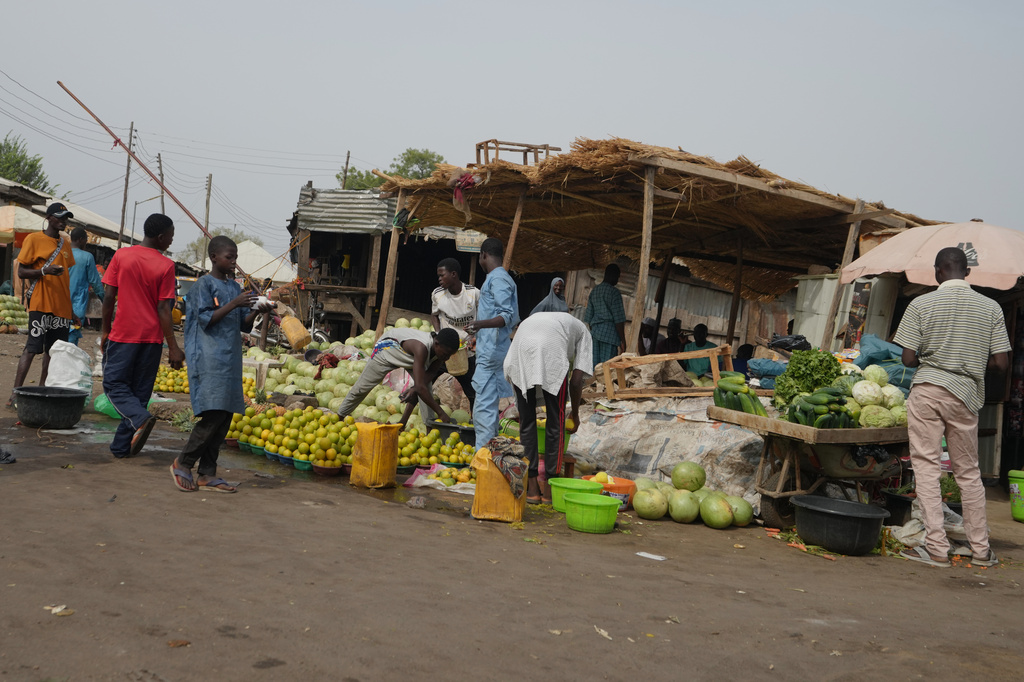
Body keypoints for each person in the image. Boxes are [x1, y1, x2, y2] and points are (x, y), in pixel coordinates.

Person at [893, 247, 1010, 568]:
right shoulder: (991, 308)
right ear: (967, 272)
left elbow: (907, 358)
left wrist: (935, 359)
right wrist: (969, 361)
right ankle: (981, 550)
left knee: (927, 468)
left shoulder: (920, 303)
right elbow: (1001, 362)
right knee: (969, 473)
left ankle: (935, 549)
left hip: (928, 391)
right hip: (966, 395)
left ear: (937, 272)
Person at [170, 237, 273, 493]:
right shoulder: (203, 285)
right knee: (213, 412)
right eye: (229, 257)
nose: (233, 262)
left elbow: (243, 325)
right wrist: (235, 304)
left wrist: (259, 310)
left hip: (229, 358)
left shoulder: (234, 287)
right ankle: (183, 462)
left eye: (235, 257)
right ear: (214, 257)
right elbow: (206, 319)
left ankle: (207, 473)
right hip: (208, 356)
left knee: (225, 415)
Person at [101, 214, 184, 458]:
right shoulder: (166, 266)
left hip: (123, 336)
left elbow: (108, 297)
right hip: (151, 341)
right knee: (138, 394)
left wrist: (105, 330)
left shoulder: (122, 256)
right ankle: (121, 447)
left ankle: (139, 418)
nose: (171, 239)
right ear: (160, 237)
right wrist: (173, 346)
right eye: (170, 235)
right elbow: (164, 309)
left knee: (114, 385)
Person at [504, 312, 593, 504]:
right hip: (550, 347)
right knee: (556, 420)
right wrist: (575, 414)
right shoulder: (584, 332)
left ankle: (533, 489)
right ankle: (551, 488)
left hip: (520, 348)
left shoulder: (557, 320)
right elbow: (577, 380)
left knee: (526, 421)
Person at [8, 202, 76, 409]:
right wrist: (44, 272)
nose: (64, 221)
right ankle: (15, 395)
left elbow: (65, 280)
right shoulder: (33, 239)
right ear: (48, 218)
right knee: (32, 348)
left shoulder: (65, 244)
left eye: (66, 217)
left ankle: (42, 392)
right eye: (60, 217)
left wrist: (72, 310)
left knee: (52, 352)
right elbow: (21, 272)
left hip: (62, 307)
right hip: (40, 303)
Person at [335, 327, 460, 425]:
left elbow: (430, 375)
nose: (447, 358)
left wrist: (415, 388)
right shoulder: (422, 348)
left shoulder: (440, 353)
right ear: (436, 343)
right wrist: (441, 413)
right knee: (361, 389)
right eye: (446, 354)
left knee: (424, 389)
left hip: (411, 358)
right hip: (387, 350)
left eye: (450, 355)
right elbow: (420, 388)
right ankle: (338, 418)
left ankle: (424, 428)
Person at [464, 238, 519, 447]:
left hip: (492, 351)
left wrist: (479, 324)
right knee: (488, 407)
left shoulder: (498, 279)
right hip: (494, 348)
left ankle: (483, 459)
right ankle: (492, 455)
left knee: (483, 409)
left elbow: (506, 316)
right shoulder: (500, 278)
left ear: (483, 255)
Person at [429, 257, 479, 408]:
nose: (439, 279)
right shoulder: (438, 294)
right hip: (445, 350)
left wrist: (475, 336)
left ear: (453, 274)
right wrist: (438, 333)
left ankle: (476, 421)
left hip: (466, 351)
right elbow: (434, 314)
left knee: (472, 391)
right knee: (426, 380)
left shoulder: (473, 294)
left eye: (442, 275)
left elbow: (484, 316)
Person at [67, 226, 104, 346]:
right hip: (77, 305)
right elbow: (96, 283)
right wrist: (105, 299)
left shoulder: (62, 253)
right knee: (71, 340)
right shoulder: (87, 257)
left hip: (59, 304)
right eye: (86, 240)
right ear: (81, 239)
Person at [584, 263, 626, 366]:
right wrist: (623, 340)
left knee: (594, 367)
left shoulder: (594, 291)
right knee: (607, 368)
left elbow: (588, 317)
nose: (617, 279)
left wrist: (595, 331)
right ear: (612, 275)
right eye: (617, 276)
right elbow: (619, 320)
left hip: (595, 334)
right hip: (610, 336)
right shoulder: (614, 293)